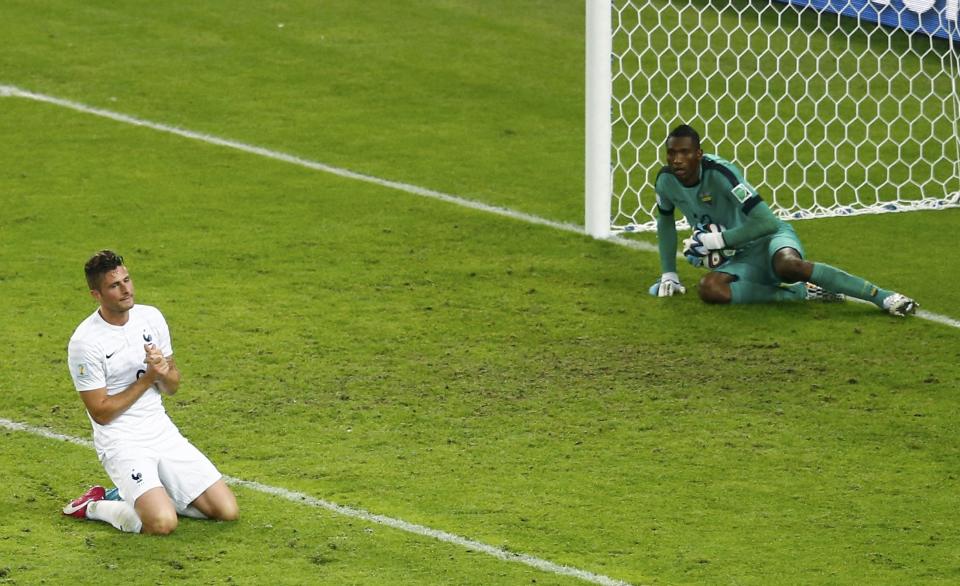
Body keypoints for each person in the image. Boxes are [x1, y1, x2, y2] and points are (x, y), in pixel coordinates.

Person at [651, 124, 918, 317]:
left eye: (685, 152)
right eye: (672, 153)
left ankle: (883, 297)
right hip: (739, 258)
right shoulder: (665, 181)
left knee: (789, 266)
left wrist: (718, 240)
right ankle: (801, 293)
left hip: (770, 239)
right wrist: (669, 273)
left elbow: (766, 222)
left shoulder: (721, 173)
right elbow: (664, 220)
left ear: (698, 154)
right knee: (710, 289)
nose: (677, 160)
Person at [64, 250, 239, 534]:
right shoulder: (85, 342)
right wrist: (148, 379)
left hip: (161, 432)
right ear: (96, 294)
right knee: (161, 523)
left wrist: (163, 372)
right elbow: (101, 413)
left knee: (226, 511)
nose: (126, 289)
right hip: (122, 442)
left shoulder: (150, 318)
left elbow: (172, 386)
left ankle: (147, 493)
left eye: (127, 280)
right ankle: (95, 505)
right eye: (114, 285)